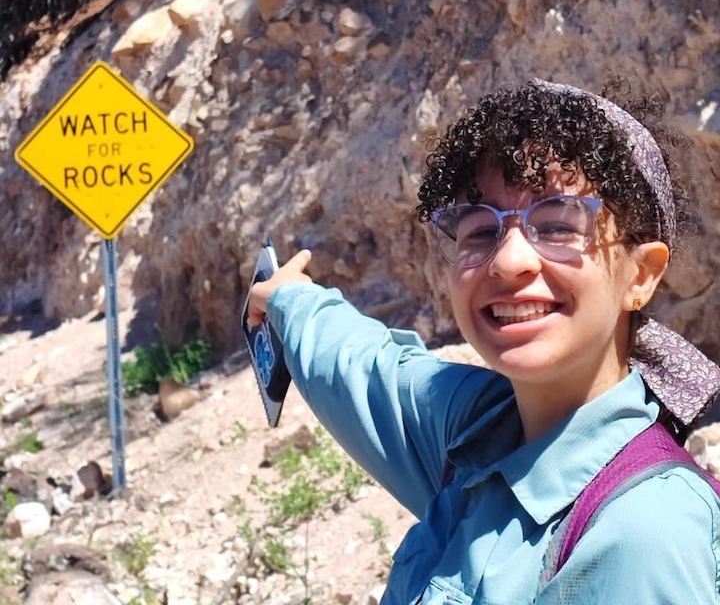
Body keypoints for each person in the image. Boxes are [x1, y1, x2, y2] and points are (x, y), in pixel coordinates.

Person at [247, 78, 720, 604]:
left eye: (559, 225)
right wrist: (289, 299)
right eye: (479, 230)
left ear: (641, 275)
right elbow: (363, 367)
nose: (508, 259)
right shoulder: (475, 428)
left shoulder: (641, 531)